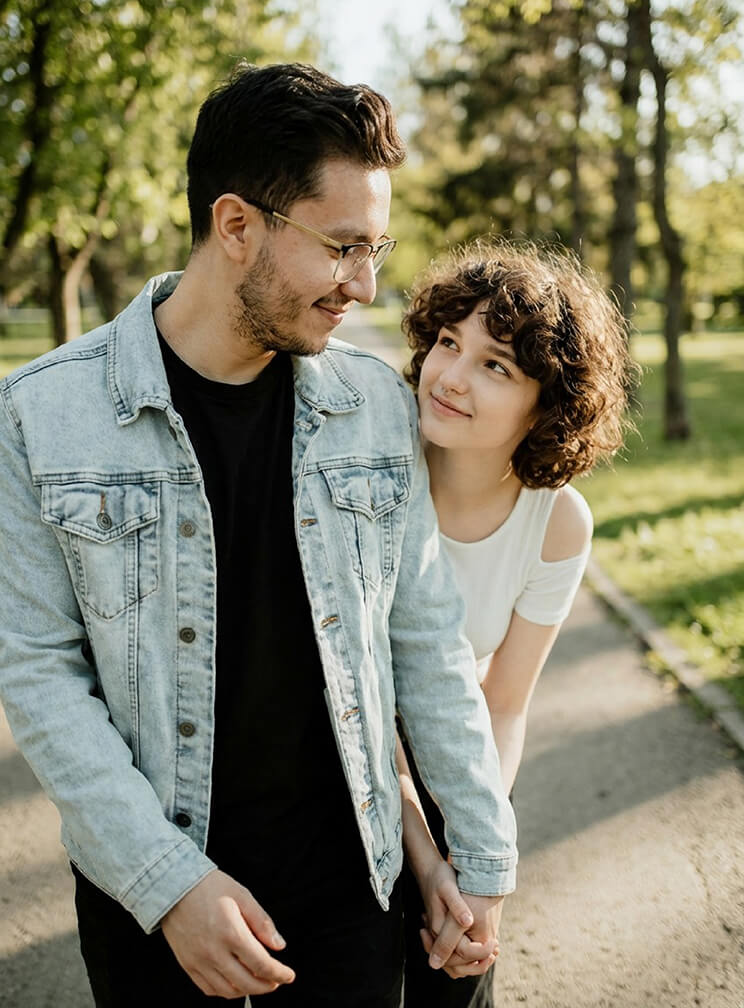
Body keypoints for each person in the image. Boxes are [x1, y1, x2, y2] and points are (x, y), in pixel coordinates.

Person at [0, 63, 517, 1006]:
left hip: (352, 881)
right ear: (236, 226)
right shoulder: (43, 414)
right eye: (344, 248)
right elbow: (38, 673)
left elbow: (426, 644)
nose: (367, 284)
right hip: (148, 886)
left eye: (377, 246)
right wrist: (170, 885)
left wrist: (477, 857)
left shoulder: (372, 406)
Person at [395, 240, 637, 1007]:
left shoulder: (557, 522)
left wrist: (471, 842)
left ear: (548, 403)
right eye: (447, 343)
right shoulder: (377, 471)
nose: (452, 377)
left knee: (464, 947)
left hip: (449, 750)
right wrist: (423, 848)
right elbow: (363, 705)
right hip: (333, 748)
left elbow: (502, 704)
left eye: (496, 365)